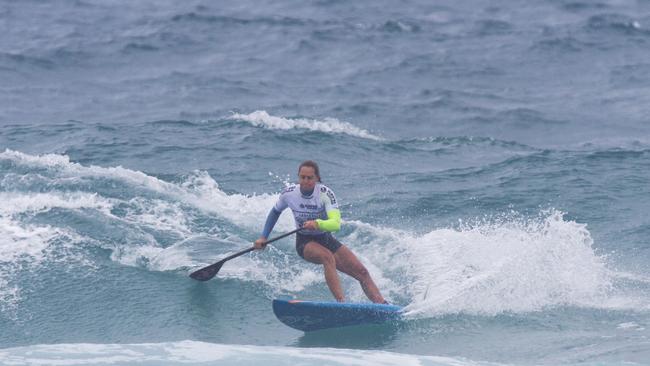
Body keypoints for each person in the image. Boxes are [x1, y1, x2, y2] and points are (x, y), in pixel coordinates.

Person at [254, 160, 387, 304]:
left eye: (309, 178)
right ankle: (341, 304)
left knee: (362, 272)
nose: (305, 181)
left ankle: (383, 306)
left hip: (325, 238)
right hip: (304, 242)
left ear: (317, 178)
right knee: (327, 257)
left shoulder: (325, 194)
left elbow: (335, 224)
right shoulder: (289, 194)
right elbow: (275, 212)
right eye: (302, 177)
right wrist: (263, 237)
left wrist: (317, 224)